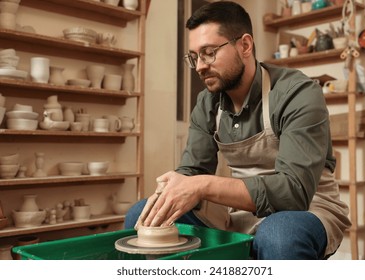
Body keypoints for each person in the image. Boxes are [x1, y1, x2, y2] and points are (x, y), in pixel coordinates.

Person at [125, 1, 351, 260]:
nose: (199, 66)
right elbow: (193, 172)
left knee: (279, 235)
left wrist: (201, 185)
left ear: (245, 45)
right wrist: (171, 190)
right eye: (194, 56)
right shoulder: (208, 102)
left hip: (308, 208)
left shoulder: (297, 93)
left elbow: (294, 192)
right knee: (142, 215)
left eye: (209, 52)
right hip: (238, 211)